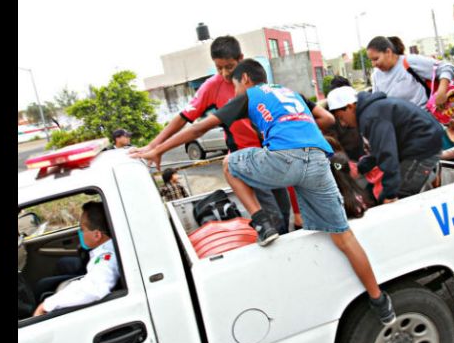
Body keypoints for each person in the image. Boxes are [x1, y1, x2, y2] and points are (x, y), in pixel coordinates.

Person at [135, 59, 396, 325]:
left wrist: (158, 149)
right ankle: (380, 301)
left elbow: (200, 127)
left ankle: (262, 223)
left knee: (230, 164)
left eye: (234, 84)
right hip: (318, 160)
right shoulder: (289, 92)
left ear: (245, 79)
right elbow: (327, 119)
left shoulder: (249, 95)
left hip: (283, 160)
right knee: (345, 238)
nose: (234, 90)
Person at [132, 36, 329, 234]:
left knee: (283, 209)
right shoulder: (212, 87)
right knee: (273, 216)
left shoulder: (252, 79)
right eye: (219, 68)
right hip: (246, 160)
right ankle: (270, 234)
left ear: (241, 61)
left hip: (272, 154)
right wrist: (154, 147)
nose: (225, 74)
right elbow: (187, 120)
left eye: (229, 66)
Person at [327, 85, 443, 203]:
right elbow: (379, 150)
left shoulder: (371, 116)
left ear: (350, 107)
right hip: (416, 145)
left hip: (424, 145)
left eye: (341, 117)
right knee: (390, 192)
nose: (343, 124)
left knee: (398, 194)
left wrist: (390, 193)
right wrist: (361, 167)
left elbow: (387, 153)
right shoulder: (370, 113)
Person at [33, 202, 120, 316]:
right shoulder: (104, 250)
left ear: (97, 235)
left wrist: (46, 305)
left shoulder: (107, 257)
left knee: (43, 285)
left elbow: (94, 287)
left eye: (82, 229)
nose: (79, 233)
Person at [367, 36, 454, 108]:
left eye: (376, 59)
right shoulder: (376, 75)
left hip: (424, 122)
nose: (374, 64)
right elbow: (378, 103)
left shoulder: (409, 61)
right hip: (400, 127)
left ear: (388, 52)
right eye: (371, 60)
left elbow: (446, 67)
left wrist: (441, 91)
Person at [330, 152, 376, 219]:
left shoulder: (332, 201)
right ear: (348, 170)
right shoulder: (359, 195)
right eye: (350, 163)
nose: (354, 164)